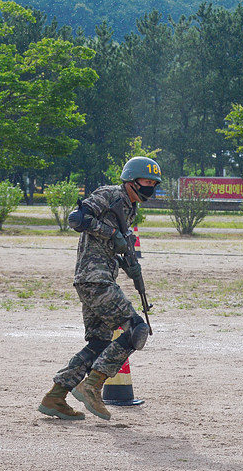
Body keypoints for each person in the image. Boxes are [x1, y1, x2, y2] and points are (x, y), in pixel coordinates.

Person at [37, 156, 162, 421]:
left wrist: (131, 266)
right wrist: (111, 233)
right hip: (95, 279)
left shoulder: (130, 208)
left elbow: (116, 247)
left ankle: (56, 396)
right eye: (146, 181)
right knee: (136, 329)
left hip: (99, 278)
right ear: (131, 180)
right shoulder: (109, 195)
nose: (150, 187)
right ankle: (93, 385)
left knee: (98, 342)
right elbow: (77, 219)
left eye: (154, 183)